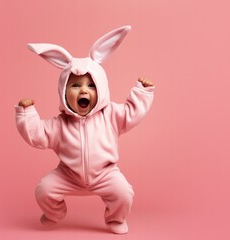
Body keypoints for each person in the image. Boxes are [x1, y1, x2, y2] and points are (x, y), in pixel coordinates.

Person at [15, 26, 154, 234]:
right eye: (75, 86)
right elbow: (38, 135)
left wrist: (141, 93)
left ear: (102, 89)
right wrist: (27, 114)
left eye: (91, 85)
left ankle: (115, 219)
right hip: (68, 176)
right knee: (44, 190)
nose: (83, 90)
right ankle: (55, 213)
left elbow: (131, 113)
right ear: (63, 92)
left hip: (105, 174)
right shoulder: (60, 124)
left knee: (123, 192)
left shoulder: (111, 115)